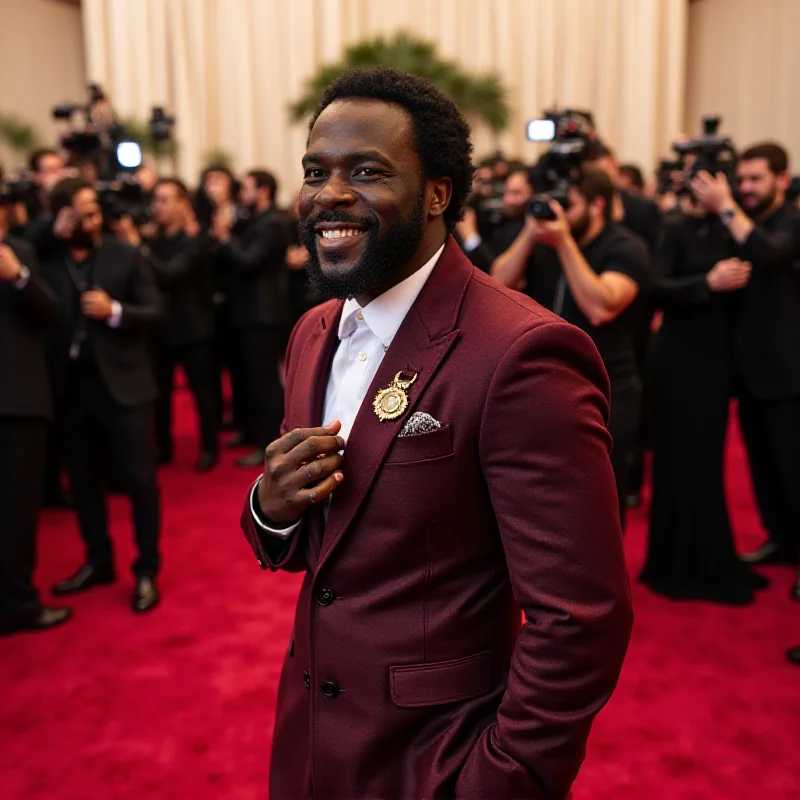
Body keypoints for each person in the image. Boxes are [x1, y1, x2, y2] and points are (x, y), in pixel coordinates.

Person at [241, 67, 632, 800]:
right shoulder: (310, 334)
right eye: (315, 171)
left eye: (366, 171)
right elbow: (300, 550)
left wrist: (497, 781)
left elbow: (581, 619)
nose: (329, 193)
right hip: (308, 748)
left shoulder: (522, 352)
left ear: (438, 195)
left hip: (438, 761)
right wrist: (271, 504)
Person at [492, 168, 648, 525]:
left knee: (600, 494)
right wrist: (530, 235)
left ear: (597, 205)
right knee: (543, 492)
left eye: (568, 204)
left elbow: (601, 307)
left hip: (607, 386)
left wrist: (565, 244)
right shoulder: (541, 239)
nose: (558, 212)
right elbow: (498, 283)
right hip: (541, 383)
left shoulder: (626, 246)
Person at [43, 177, 163, 613]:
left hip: (126, 387)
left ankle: (146, 568)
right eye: (81, 214)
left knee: (138, 481)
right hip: (71, 389)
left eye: (95, 212)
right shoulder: (46, 258)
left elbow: (155, 312)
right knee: (85, 482)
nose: (91, 220)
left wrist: (115, 311)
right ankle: (98, 560)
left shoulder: (125, 254)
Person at [640, 198, 768, 604]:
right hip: (678, 359)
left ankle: (712, 556)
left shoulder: (736, 229)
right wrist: (707, 283)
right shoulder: (675, 227)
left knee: (708, 461)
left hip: (717, 360)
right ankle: (676, 563)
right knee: (678, 458)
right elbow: (654, 288)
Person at [690, 143, 800, 599]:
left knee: (795, 470)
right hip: (748, 370)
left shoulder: (792, 220)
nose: (748, 188)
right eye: (744, 180)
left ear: (781, 177)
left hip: (789, 371)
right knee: (764, 467)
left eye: (756, 179)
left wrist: (727, 207)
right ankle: (782, 539)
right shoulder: (742, 220)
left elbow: (768, 253)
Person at [0, 196, 71, 636]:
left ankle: (18, 604)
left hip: (17, 402)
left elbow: (52, 314)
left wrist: (18, 277)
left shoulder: (20, 253)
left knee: (16, 513)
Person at [127, 177, 219, 472]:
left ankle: (209, 447)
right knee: (160, 393)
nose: (158, 206)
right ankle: (163, 446)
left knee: (202, 392)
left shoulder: (196, 240)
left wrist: (138, 247)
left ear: (182, 205)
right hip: (158, 328)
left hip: (193, 327)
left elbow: (170, 275)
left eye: (165, 200)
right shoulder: (153, 241)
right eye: (156, 200)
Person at [212, 169, 291, 468]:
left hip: (264, 315)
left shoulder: (272, 223)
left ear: (263, 191)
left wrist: (224, 237)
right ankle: (256, 435)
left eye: (246, 188)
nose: (241, 193)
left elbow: (247, 262)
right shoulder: (255, 219)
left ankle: (271, 445)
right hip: (249, 314)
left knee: (265, 384)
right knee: (251, 382)